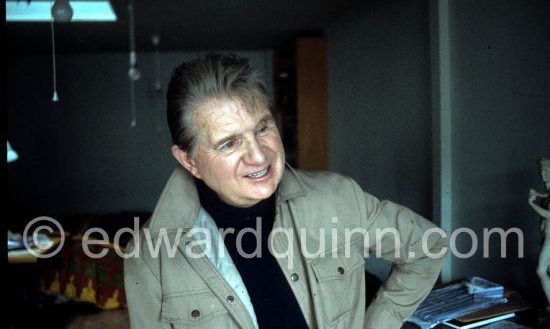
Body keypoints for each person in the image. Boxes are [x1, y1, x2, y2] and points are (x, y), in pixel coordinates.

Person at [123, 53, 448, 329]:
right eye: (229, 143)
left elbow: (426, 245)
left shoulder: (338, 197)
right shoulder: (151, 258)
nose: (259, 155)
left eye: (262, 128)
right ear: (189, 160)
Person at [529, 157, 550, 309]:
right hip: (546, 236)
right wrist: (538, 194)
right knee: (547, 270)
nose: (542, 174)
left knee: (541, 270)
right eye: (541, 170)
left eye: (546, 170)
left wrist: (531, 203)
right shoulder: (548, 192)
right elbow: (546, 196)